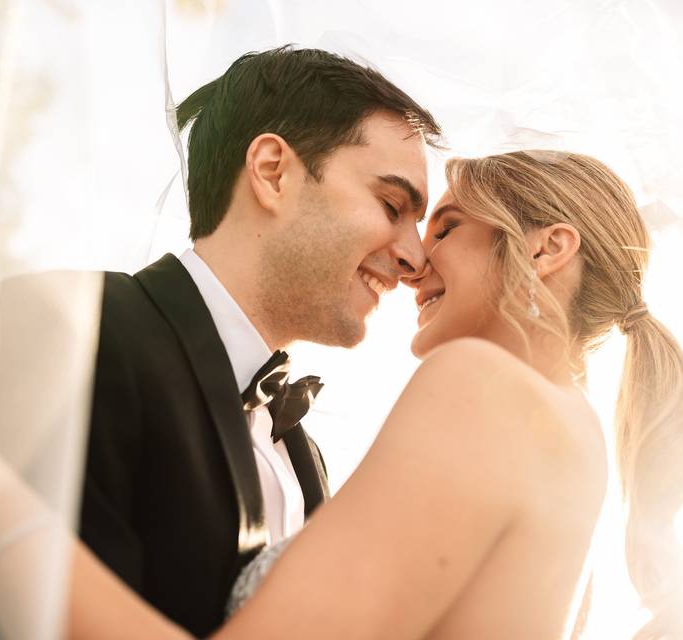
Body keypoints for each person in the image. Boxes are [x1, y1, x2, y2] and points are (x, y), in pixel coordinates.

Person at [0, 149, 683, 639]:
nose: (413, 260)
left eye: (448, 225)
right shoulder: (580, 444)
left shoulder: (485, 389)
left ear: (546, 245)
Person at [78, 45, 441, 636]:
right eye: (391, 204)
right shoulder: (88, 327)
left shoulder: (303, 455)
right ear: (273, 172)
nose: (414, 257)